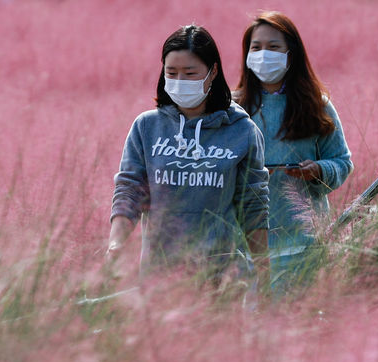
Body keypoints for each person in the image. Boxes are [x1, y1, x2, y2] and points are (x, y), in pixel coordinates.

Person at [107, 24, 269, 293]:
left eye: (190, 73)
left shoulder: (242, 131)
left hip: (223, 279)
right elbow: (129, 191)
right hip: (160, 279)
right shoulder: (147, 127)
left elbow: (253, 206)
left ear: (213, 72)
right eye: (172, 73)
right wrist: (116, 243)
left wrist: (264, 272)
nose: (180, 81)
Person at [235, 11, 353, 291]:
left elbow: (342, 161)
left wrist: (317, 171)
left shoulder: (316, 105)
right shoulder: (234, 108)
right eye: (256, 47)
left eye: (274, 47)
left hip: (303, 243)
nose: (264, 55)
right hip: (245, 246)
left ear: (292, 53)